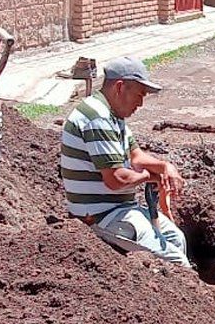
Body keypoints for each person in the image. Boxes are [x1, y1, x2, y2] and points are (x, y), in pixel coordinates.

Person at [60, 56, 190, 267]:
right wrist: (150, 176)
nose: (140, 103)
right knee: (175, 261)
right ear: (120, 87)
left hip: (121, 208)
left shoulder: (112, 115)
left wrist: (166, 167)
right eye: (139, 94)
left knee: (176, 238)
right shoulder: (97, 118)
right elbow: (117, 179)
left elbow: (136, 156)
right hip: (102, 216)